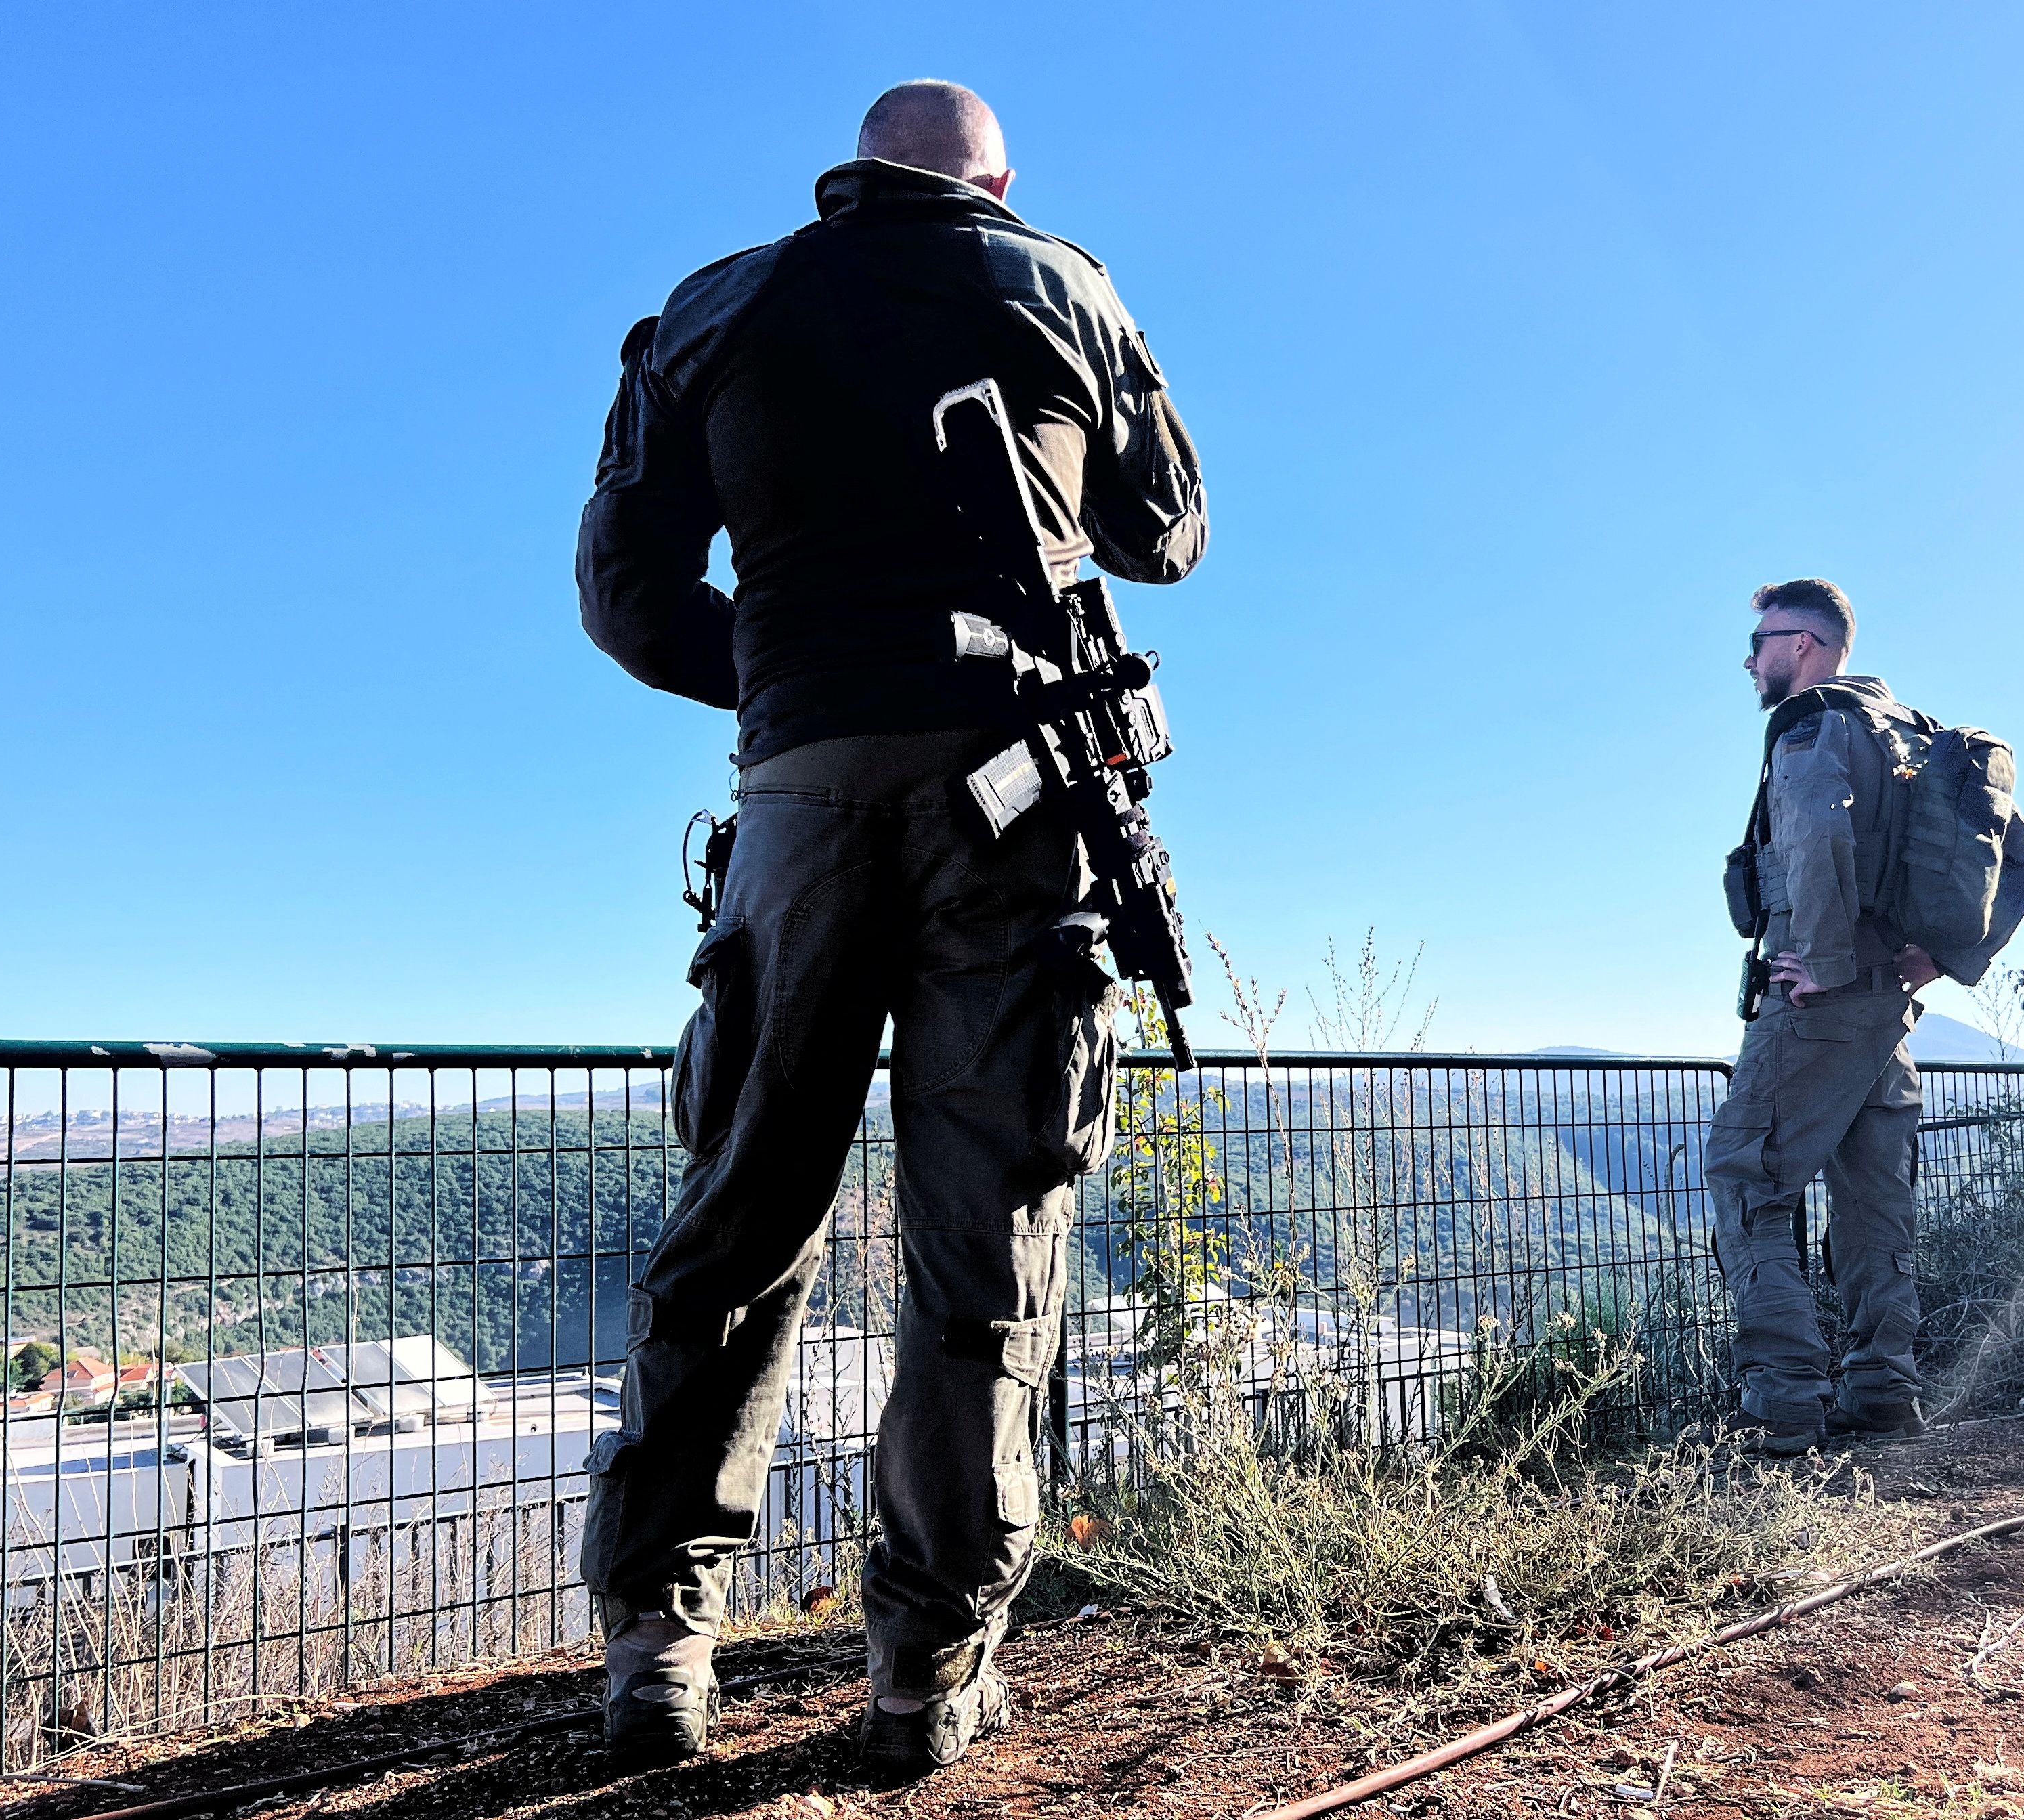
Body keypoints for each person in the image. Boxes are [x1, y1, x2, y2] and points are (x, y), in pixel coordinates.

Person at [572, 79, 1207, 1775]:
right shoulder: (1065, 287)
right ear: (999, 180)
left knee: (737, 1224)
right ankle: (925, 1671)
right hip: (1015, 814)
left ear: (848, 173)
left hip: (795, 810)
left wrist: (785, 677)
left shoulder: (716, 306)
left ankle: (657, 1649)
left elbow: (625, 596)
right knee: (983, 1242)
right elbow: (1171, 538)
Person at [1706, 579, 1940, 1456]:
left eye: (1760, 640)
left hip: (1818, 1000)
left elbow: (1814, 834)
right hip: (1889, 1011)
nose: (1750, 658)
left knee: (1744, 1172)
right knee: (1874, 1197)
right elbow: (2019, 853)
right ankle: (1882, 1390)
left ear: (1804, 644)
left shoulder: (1812, 727)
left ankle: (1783, 1395)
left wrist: (1829, 965)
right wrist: (1933, 961)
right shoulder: (1914, 738)